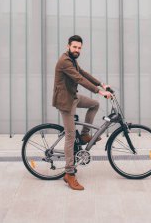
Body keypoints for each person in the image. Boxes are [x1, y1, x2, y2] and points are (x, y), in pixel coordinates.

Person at [52, 35, 112, 191]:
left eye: (79, 48)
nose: (77, 50)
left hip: (73, 97)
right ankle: (69, 173)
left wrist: (101, 84)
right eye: (74, 47)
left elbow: (83, 73)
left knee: (94, 104)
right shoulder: (64, 61)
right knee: (70, 136)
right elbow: (79, 79)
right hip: (65, 101)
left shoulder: (72, 59)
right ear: (68, 46)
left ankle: (85, 134)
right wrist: (99, 91)